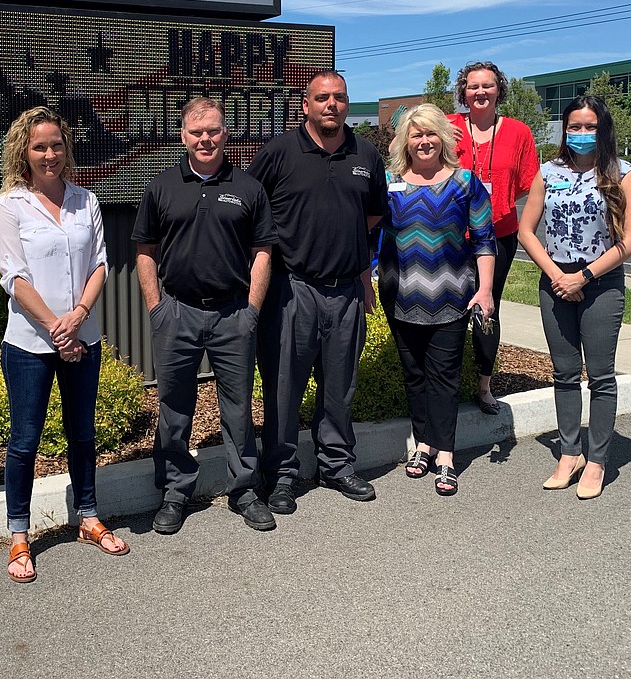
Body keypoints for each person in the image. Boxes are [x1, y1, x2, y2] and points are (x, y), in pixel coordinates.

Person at [0, 106, 128, 584]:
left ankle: (88, 518)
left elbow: (100, 265)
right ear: (23, 153)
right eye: (39, 146)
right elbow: (14, 276)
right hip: (30, 342)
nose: (49, 154)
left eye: (56, 145)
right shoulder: (9, 205)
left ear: (67, 149)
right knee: (25, 441)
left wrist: (79, 317)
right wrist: (55, 327)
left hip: (81, 337)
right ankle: (19, 536)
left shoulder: (85, 200)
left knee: (82, 432)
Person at [133, 97, 278, 534]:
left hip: (233, 314)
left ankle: (245, 491)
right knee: (174, 407)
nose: (205, 139)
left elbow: (263, 250)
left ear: (225, 134)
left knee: (237, 408)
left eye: (213, 130)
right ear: (183, 136)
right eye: (197, 132)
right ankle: (176, 492)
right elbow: (144, 250)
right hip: (177, 313)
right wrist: (156, 307)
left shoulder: (248, 188)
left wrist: (252, 309)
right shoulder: (161, 186)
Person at [248, 70, 388, 513]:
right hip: (292, 290)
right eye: (322, 97)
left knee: (339, 387)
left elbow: (370, 218)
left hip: (345, 291)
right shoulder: (279, 152)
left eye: (340, 97)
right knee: (283, 388)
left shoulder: (365, 154)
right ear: (305, 105)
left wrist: (362, 275)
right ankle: (283, 474)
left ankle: (336, 466)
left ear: (348, 103)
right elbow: (250, 210)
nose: (332, 104)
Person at [517, 95, 631, 500]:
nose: (582, 134)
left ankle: (598, 460)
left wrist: (584, 276)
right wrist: (557, 275)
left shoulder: (622, 174)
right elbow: (525, 231)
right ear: (564, 130)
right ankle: (569, 453)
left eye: (590, 127)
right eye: (575, 126)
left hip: (600, 285)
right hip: (555, 283)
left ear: (602, 129)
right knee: (564, 373)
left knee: (601, 377)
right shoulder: (548, 172)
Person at [377, 104, 496, 496]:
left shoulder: (465, 183)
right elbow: (370, 233)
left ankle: (445, 455)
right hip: (400, 295)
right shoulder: (391, 182)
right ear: (404, 141)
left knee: (443, 377)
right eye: (416, 134)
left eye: (430, 134)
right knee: (414, 375)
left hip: (451, 296)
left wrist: (485, 290)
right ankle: (422, 444)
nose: (424, 141)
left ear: (443, 138)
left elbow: (484, 240)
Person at [447, 61, 540, 415]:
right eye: (473, 87)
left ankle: (484, 384)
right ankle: (448, 383)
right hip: (452, 236)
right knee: (449, 310)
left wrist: (494, 202)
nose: (480, 92)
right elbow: (410, 148)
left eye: (487, 86)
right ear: (463, 92)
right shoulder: (449, 125)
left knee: (488, 307)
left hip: (498, 233)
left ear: (499, 89)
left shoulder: (518, 132)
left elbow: (528, 183)